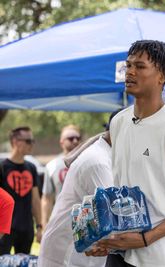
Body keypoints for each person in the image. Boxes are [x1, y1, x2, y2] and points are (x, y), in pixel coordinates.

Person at [87, 40, 165, 267]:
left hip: (163, 258)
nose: (130, 72)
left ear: (161, 76)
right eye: (128, 65)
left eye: (140, 66)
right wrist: (105, 236)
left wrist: (146, 238)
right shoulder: (118, 122)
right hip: (120, 252)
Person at [38, 111, 119, 267]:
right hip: (66, 255)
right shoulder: (97, 162)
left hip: (83, 253)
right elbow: (114, 217)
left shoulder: (109, 156)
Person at [0, 126, 42, 255]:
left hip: (26, 227)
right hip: (5, 227)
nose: (32, 144)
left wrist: (39, 226)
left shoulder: (31, 167)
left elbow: (35, 199)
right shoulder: (2, 167)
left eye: (32, 141)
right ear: (15, 141)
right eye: (28, 141)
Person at [41, 124, 81, 228]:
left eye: (78, 138)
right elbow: (47, 198)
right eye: (71, 138)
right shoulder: (52, 165)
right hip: (60, 219)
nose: (75, 141)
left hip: (83, 218)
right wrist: (45, 224)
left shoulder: (86, 162)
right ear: (62, 142)